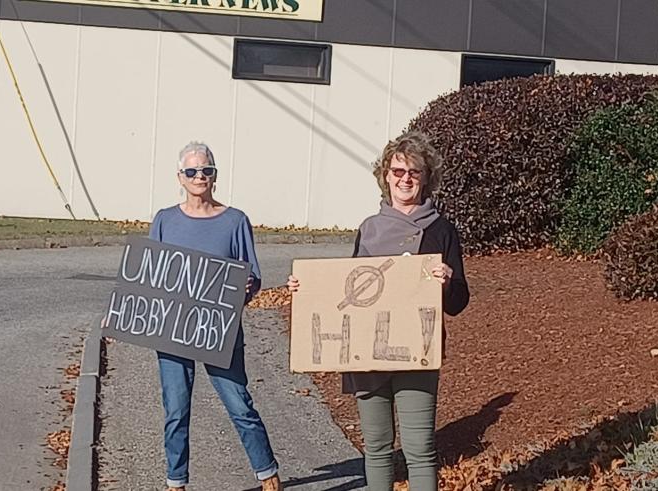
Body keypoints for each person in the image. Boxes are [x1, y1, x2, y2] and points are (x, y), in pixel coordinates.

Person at [286, 131, 469, 491]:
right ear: (385, 175)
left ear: (427, 177)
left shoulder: (442, 231)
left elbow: (459, 301)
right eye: (398, 171)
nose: (405, 179)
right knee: (378, 449)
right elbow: (352, 290)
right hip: (367, 356)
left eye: (414, 172)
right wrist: (305, 291)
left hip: (416, 352)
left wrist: (446, 282)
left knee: (420, 450)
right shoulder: (368, 229)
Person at [146, 141, 282, 491]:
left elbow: (252, 276)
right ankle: (176, 481)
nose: (199, 176)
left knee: (239, 403)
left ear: (215, 176)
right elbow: (149, 278)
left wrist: (244, 287)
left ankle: (268, 474)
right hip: (172, 329)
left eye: (206, 170)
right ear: (180, 177)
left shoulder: (235, 221)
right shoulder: (164, 220)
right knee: (176, 409)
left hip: (219, 329)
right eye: (191, 171)